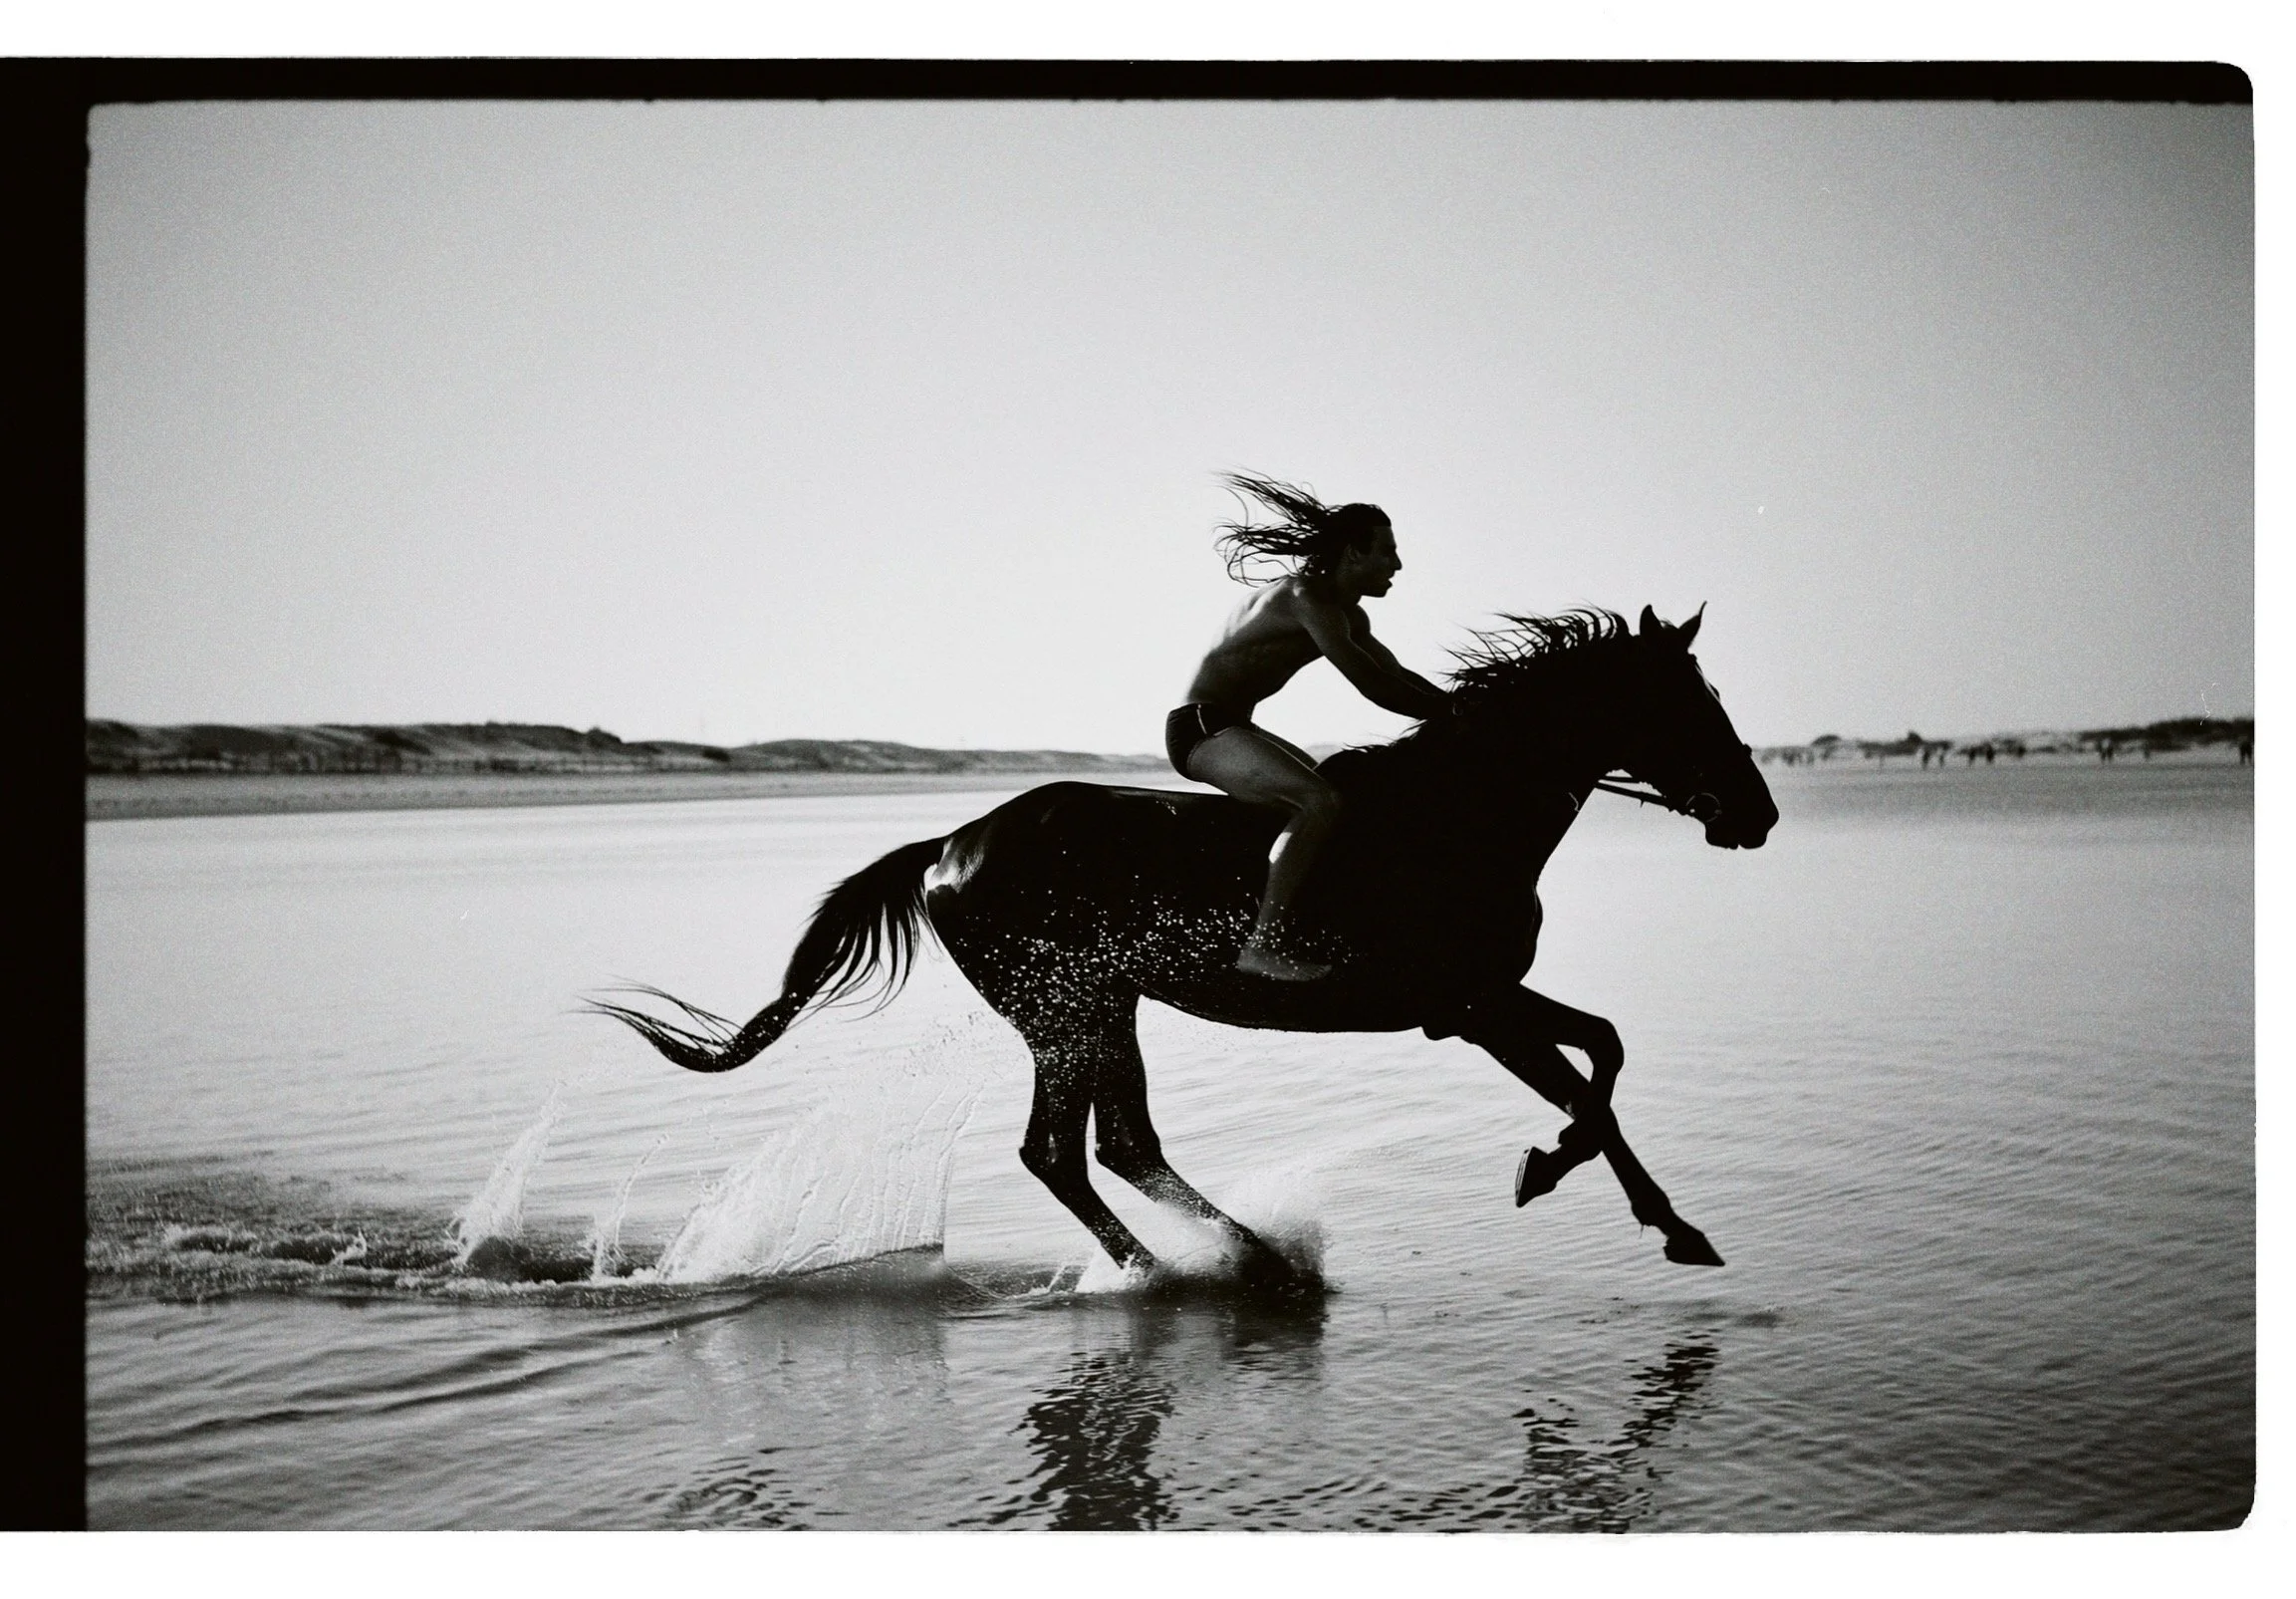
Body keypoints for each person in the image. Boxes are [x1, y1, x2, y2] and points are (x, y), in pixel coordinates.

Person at [1167, 472, 1451, 980]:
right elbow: (1372, 685)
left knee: (1336, 791)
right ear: (1352, 554)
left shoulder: (1347, 614)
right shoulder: (1305, 598)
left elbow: (1396, 674)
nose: (1398, 565)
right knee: (1318, 801)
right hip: (1202, 728)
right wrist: (1458, 716)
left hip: (1235, 725)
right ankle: (1261, 947)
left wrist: (1460, 703)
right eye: (1387, 551)